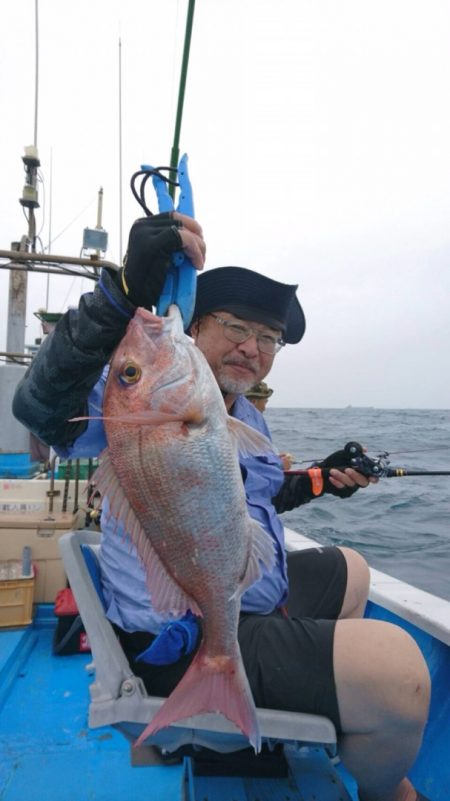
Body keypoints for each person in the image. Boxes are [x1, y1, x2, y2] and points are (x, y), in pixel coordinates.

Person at [13, 213, 431, 801]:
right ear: (194, 325)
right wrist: (120, 297)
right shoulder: (131, 405)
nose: (251, 347)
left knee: (352, 570)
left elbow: (243, 501)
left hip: (231, 593)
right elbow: (40, 406)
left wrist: (320, 482)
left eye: (268, 338)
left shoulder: (237, 413)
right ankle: (384, 783)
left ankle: (301, 698)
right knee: (399, 673)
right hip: (185, 632)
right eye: (235, 326)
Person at [245, 381, 294, 469]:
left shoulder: (251, 421)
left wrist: (275, 458)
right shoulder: (247, 425)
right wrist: (281, 465)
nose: (264, 408)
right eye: (265, 402)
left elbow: (257, 456)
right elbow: (252, 465)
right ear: (253, 401)